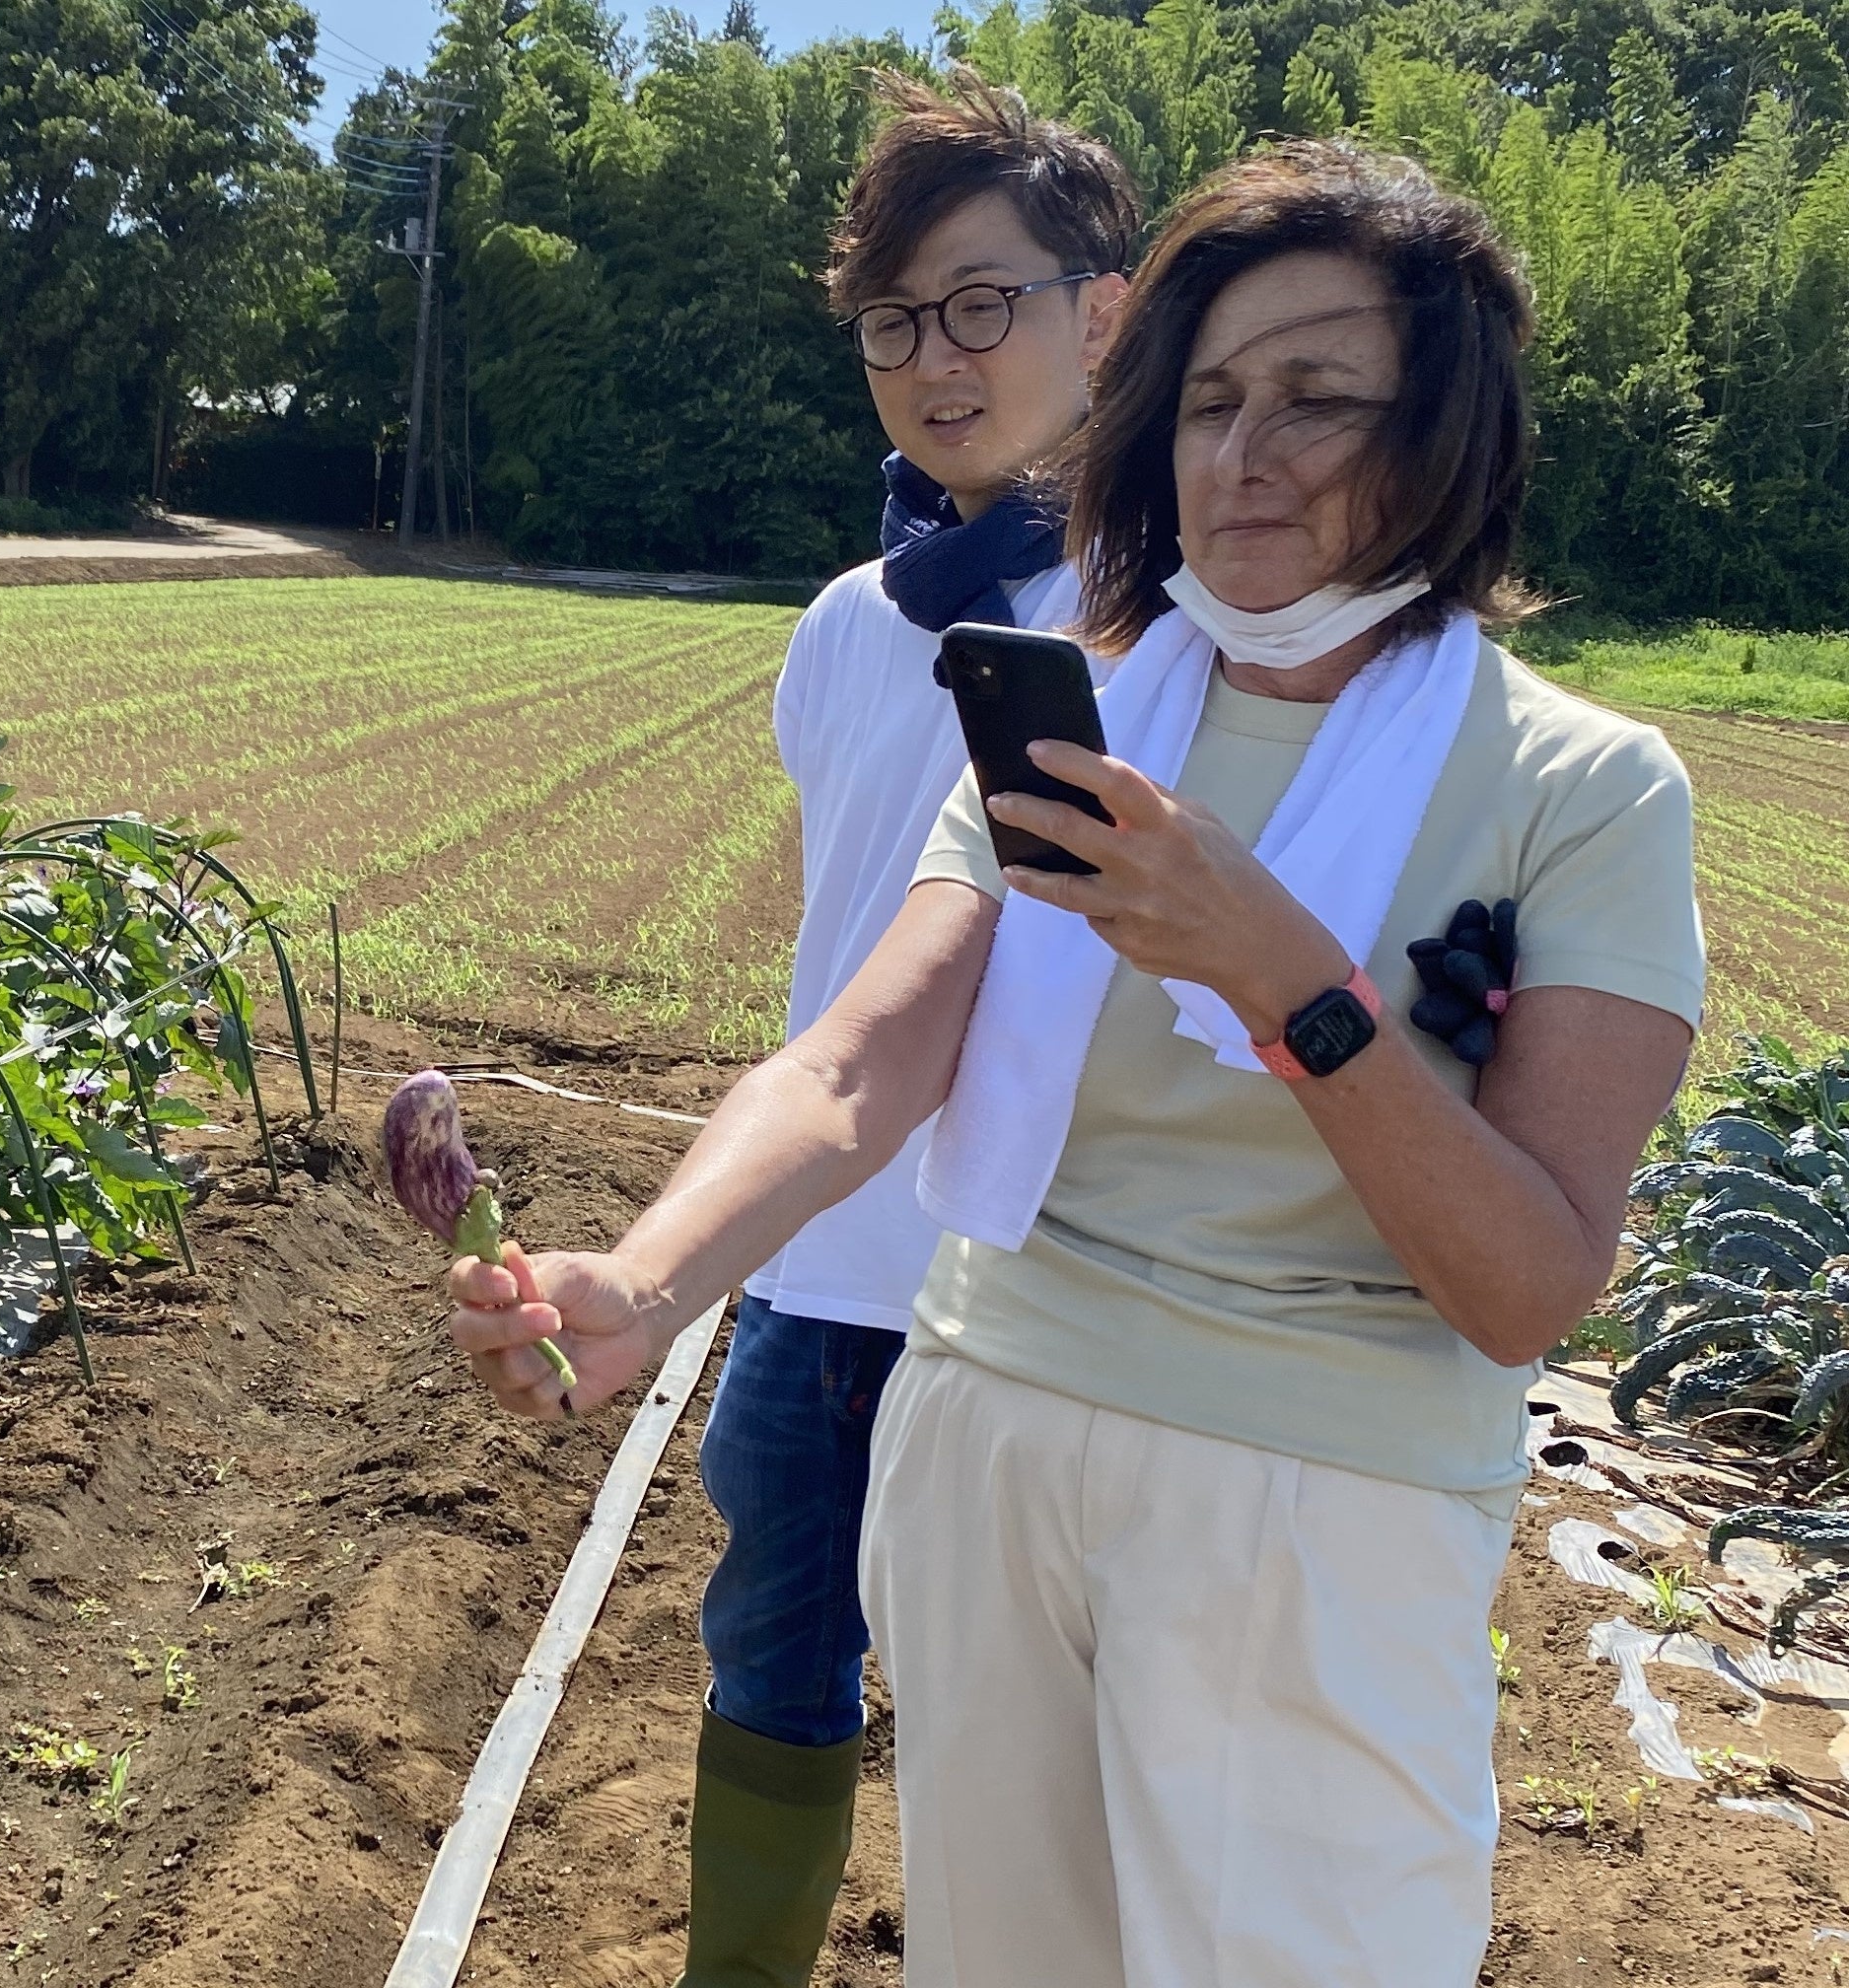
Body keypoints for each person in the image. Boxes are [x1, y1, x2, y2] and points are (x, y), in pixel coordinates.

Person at [452, 144, 1704, 1988]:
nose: (1242, 452)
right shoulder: (1085, 717)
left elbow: (1523, 1285)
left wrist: (1282, 971)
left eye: (1317, 400)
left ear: (1452, 434)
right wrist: (642, 1280)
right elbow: (860, 1064)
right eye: (1205, 400)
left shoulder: (1584, 790)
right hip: (994, 1445)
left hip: (1320, 1512)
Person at [679, 73, 1133, 1988]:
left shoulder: (1159, 620)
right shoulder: (849, 620)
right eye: (892, 321)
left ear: (1101, 310)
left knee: (1010, 1731)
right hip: (817, 1277)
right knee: (772, 1669)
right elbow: (849, 944)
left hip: (1037, 1299)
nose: (934, 359)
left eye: (982, 302)